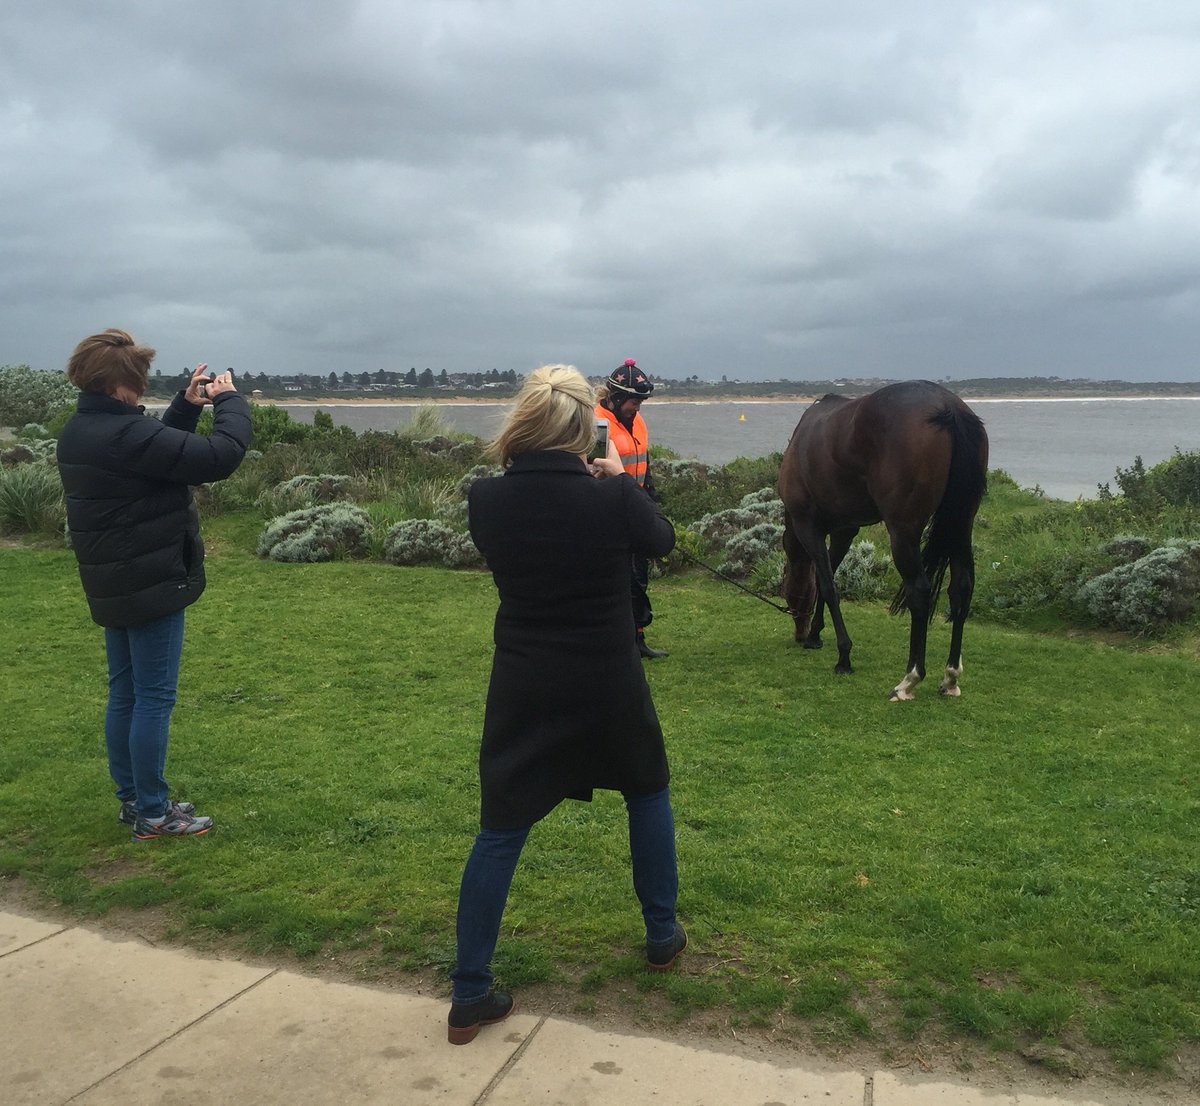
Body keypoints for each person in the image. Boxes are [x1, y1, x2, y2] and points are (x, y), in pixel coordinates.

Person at [448, 364, 686, 1045]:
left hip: (525, 682)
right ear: (586, 426)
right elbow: (661, 541)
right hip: (609, 680)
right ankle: (662, 935)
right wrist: (619, 479)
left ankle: (469, 992)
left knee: (500, 828)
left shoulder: (484, 500)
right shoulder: (609, 498)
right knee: (647, 793)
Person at [56, 328, 251, 841]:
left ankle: (134, 800)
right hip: (151, 581)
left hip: (114, 581)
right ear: (124, 384)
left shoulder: (82, 428)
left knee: (125, 693)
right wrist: (229, 400)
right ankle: (155, 812)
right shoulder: (126, 434)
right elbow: (218, 457)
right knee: (154, 697)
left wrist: (186, 408)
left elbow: (158, 454)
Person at [595, 358, 667, 657]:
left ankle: (637, 640)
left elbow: (643, 463)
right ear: (616, 398)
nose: (637, 408)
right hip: (608, 514)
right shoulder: (598, 425)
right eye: (633, 402)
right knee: (617, 580)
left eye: (641, 402)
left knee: (639, 576)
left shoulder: (637, 421)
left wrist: (650, 502)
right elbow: (593, 473)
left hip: (635, 508)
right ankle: (615, 640)